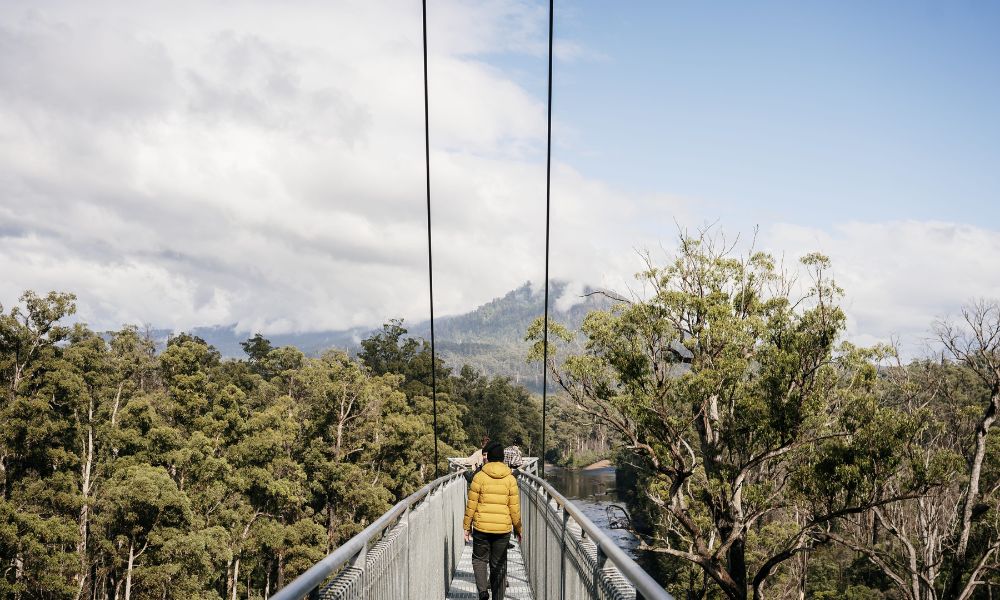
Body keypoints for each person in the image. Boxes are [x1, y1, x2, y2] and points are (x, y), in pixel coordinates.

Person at [463, 441, 522, 600]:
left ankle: (483, 592)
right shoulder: (510, 479)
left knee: (479, 559)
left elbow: (471, 504)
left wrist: (466, 527)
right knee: (499, 565)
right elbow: (514, 508)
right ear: (503, 458)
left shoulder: (479, 477)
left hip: (481, 527)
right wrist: (518, 529)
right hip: (502, 530)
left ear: (487, 457)